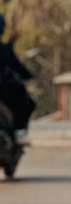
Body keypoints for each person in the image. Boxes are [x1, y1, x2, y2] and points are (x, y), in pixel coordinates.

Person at [0, 13, 36, 144]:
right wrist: (29, 76)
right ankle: (19, 132)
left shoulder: (5, 48)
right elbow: (18, 67)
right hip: (5, 89)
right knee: (27, 103)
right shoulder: (4, 49)